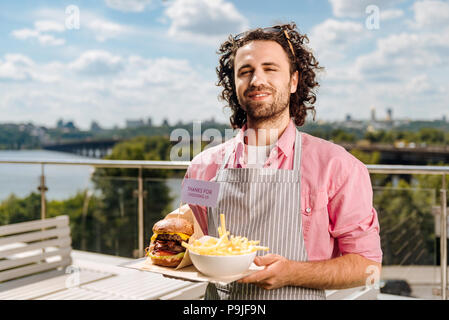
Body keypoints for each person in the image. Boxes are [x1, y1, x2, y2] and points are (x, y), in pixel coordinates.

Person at [183, 22, 382, 300]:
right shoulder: (202, 168)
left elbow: (367, 265)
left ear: (293, 81)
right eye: (245, 72)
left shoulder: (337, 167)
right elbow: (188, 241)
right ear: (235, 85)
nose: (256, 80)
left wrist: (292, 273)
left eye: (270, 68)